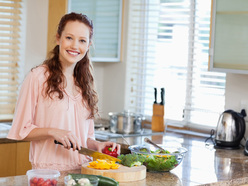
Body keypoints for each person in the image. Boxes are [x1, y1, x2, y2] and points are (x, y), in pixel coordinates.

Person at [7, 12, 120, 171]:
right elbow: (21, 130)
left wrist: (97, 145)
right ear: (58, 38)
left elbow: (84, 138)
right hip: (48, 173)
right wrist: (53, 132)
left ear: (88, 45)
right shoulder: (38, 77)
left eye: (82, 40)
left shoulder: (85, 82)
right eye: (69, 38)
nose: (75, 46)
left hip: (84, 171)